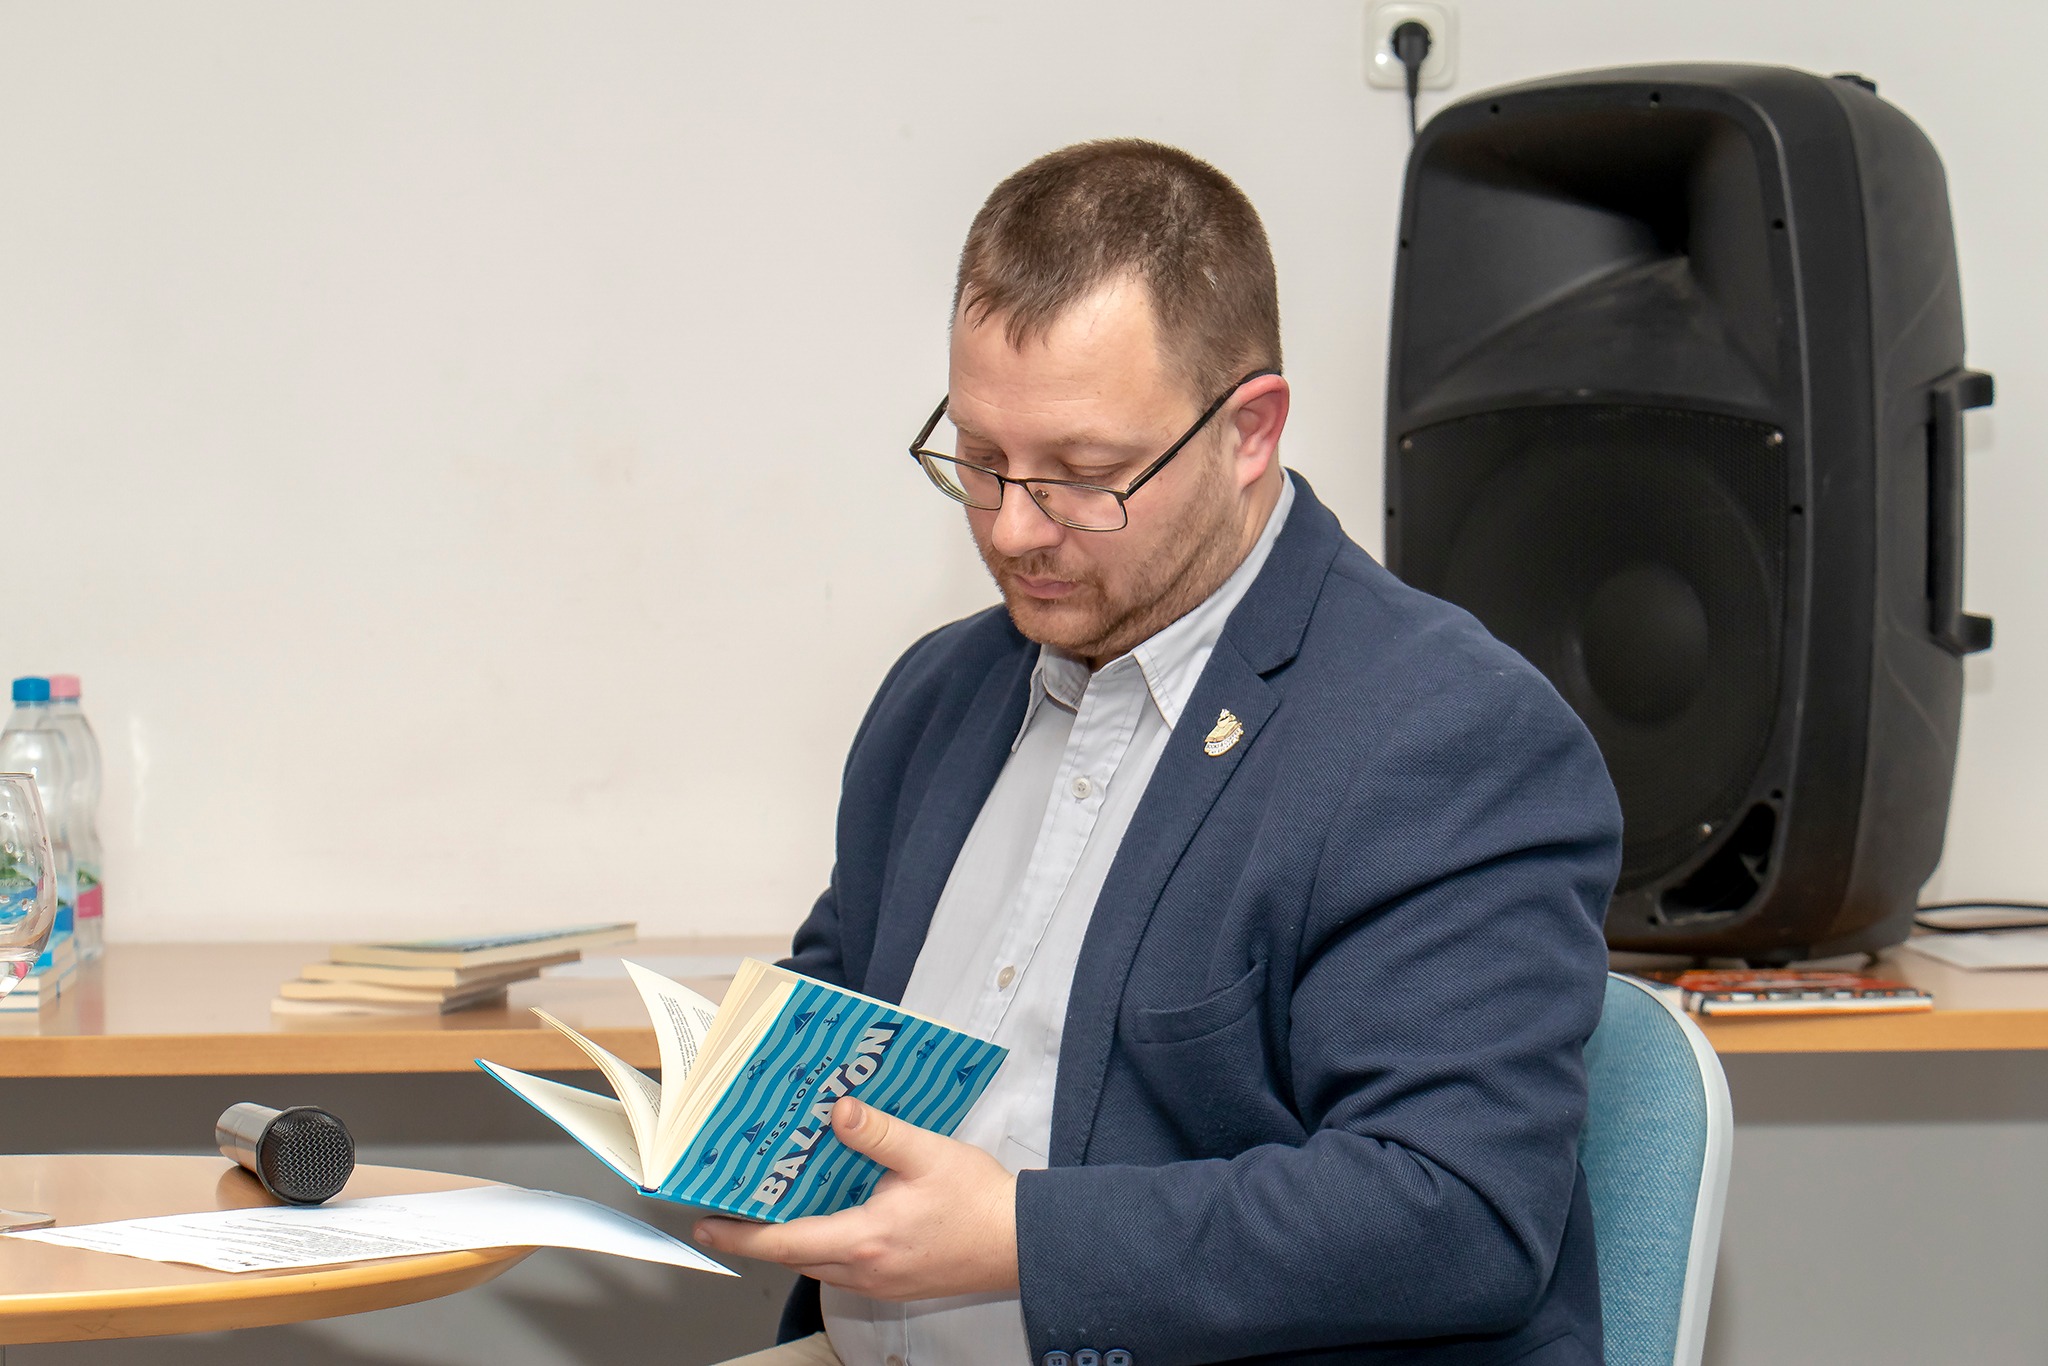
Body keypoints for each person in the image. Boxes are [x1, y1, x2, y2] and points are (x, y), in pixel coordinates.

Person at [694, 138, 1622, 1366]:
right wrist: (716, 1120)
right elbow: (837, 1017)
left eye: (1083, 474)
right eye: (980, 459)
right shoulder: (939, 696)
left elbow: (1455, 1211)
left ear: (1248, 430)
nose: (1013, 530)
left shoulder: (1447, 733)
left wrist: (1020, 1238)